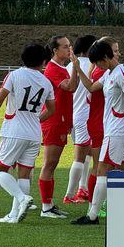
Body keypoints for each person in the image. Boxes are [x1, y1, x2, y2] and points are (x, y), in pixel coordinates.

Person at [0, 44, 55, 223]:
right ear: (43, 61)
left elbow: (0, 98)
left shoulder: (14, 75)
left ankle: (22, 199)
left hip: (14, 131)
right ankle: (14, 215)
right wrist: (37, 120)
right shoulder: (46, 82)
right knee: (24, 173)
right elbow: (52, 109)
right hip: (34, 134)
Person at [72, 38, 124, 225]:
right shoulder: (108, 73)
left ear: (104, 58)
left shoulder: (120, 74)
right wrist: (77, 68)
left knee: (102, 169)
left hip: (116, 131)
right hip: (115, 130)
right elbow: (91, 87)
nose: (97, 66)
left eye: (97, 62)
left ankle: (92, 215)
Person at [39, 35, 78, 219]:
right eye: (65, 47)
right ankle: (46, 206)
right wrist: (76, 67)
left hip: (60, 122)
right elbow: (70, 87)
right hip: (53, 122)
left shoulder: (61, 68)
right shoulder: (54, 69)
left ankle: (49, 204)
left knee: (52, 165)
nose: (69, 49)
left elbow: (72, 88)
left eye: (69, 46)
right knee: (49, 164)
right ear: (55, 50)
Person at [61, 35, 97, 205]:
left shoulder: (70, 66)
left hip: (76, 114)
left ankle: (82, 189)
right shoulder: (93, 66)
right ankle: (69, 194)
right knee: (80, 155)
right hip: (86, 115)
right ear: (88, 49)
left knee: (88, 152)